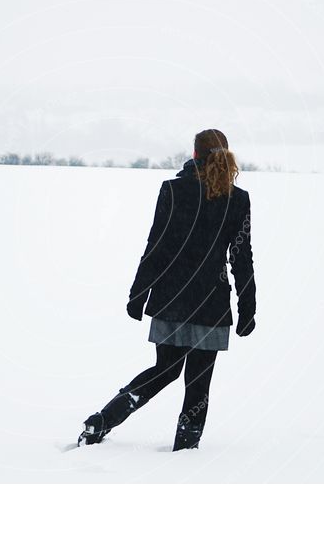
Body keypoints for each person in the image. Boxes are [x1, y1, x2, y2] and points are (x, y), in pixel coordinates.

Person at [77, 128, 257, 451]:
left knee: (165, 370)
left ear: (194, 155)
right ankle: (185, 453)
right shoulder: (238, 199)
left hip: (172, 299)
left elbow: (156, 247)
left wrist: (138, 294)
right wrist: (248, 310)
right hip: (211, 307)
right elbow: (241, 258)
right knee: (198, 385)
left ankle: (102, 421)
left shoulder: (173, 191)